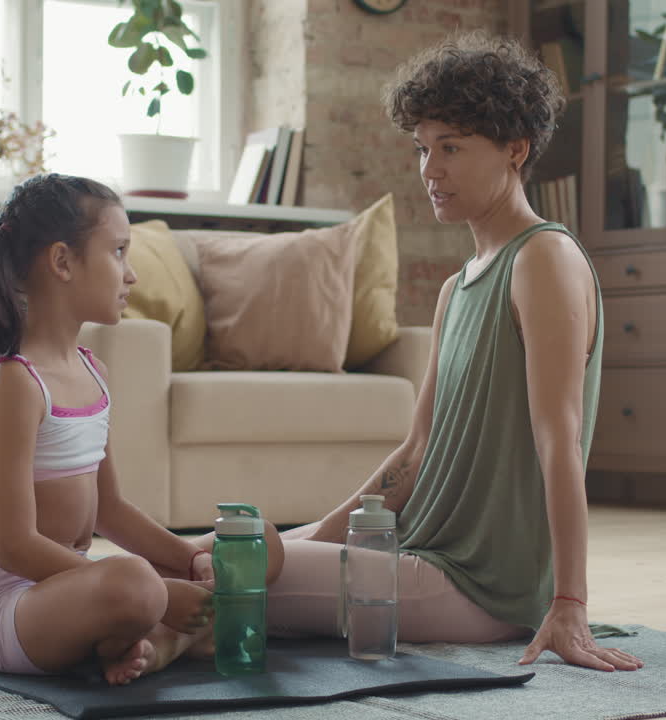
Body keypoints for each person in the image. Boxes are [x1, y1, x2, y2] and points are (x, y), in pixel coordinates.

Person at [270, 33, 643, 673]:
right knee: (229, 547)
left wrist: (570, 600)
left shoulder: (543, 259)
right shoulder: (455, 289)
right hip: (417, 554)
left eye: (451, 148)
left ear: (515, 150)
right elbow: (414, 456)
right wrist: (303, 536)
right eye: (422, 149)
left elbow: (561, 436)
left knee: (218, 567)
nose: (429, 170)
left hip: (480, 586)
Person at [0, 173, 283, 684]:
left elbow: (109, 511)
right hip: (9, 606)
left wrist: (188, 562)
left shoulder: (93, 373)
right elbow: (14, 547)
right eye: (119, 252)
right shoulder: (16, 382)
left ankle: (151, 643)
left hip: (75, 587)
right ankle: (166, 632)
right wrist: (160, 589)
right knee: (137, 584)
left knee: (255, 539)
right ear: (62, 262)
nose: (130, 275)